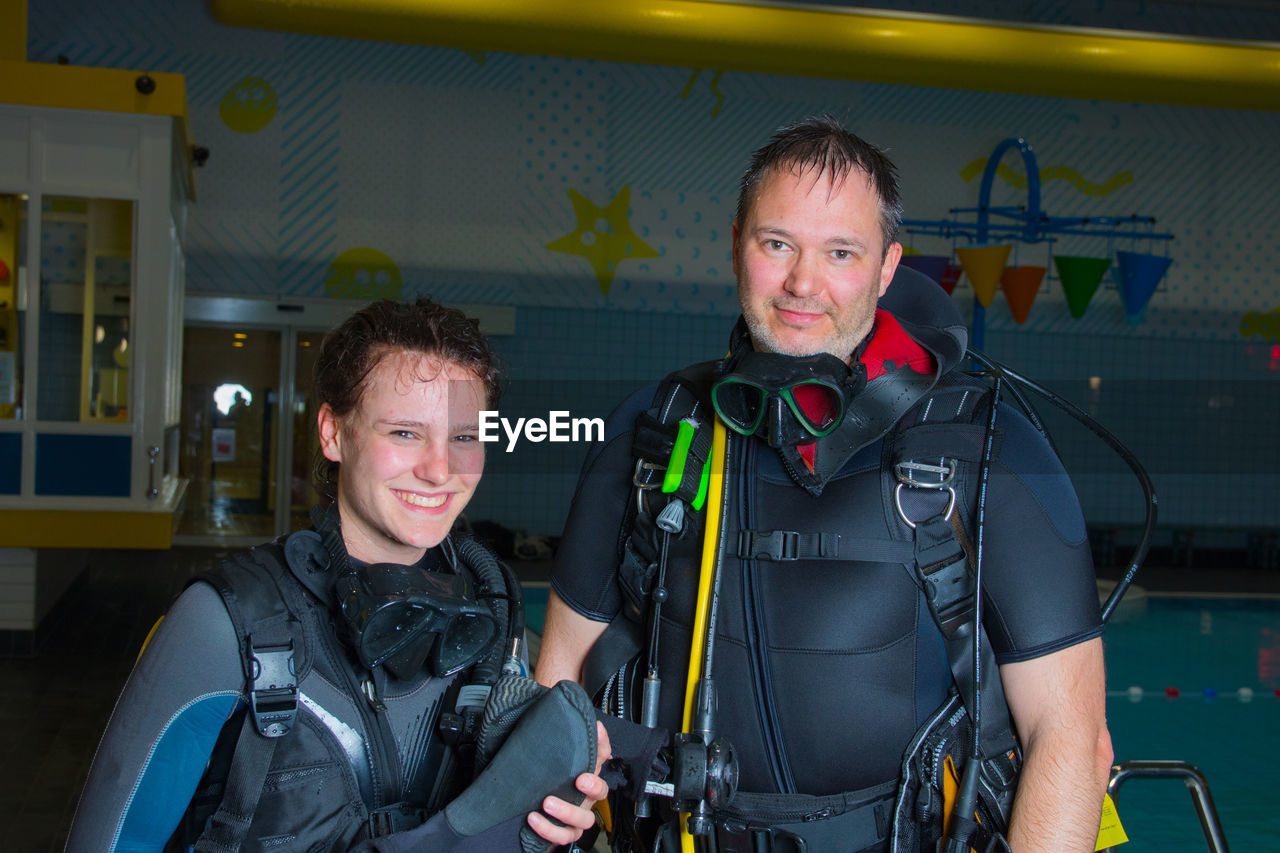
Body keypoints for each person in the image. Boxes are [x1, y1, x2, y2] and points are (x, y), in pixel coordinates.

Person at [537, 116, 1113, 852]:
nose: (803, 284)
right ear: (737, 241)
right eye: (778, 244)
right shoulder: (654, 433)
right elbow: (559, 683)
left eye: (840, 252)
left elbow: (1070, 739)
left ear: (885, 268)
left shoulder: (986, 450)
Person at [67, 297, 610, 852]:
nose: (440, 470)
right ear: (333, 432)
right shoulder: (228, 623)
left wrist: (543, 815)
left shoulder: (490, 615)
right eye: (404, 433)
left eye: (465, 438)